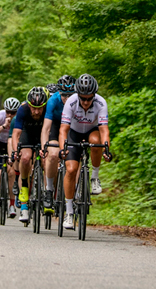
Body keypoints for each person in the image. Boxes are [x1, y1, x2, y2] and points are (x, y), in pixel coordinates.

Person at [59, 73, 111, 230]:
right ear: (78, 95)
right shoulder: (71, 102)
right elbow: (63, 130)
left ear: (94, 95)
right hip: (73, 133)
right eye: (83, 98)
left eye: (89, 98)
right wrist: (62, 149)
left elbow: (104, 130)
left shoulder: (101, 103)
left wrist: (106, 149)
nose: (86, 102)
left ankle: (94, 177)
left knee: (96, 142)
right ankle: (69, 212)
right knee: (71, 169)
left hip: (91, 131)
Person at [9, 86, 48, 223]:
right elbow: (16, 134)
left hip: (43, 134)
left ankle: (47, 192)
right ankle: (24, 197)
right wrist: (16, 151)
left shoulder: (48, 109)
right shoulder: (23, 109)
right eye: (33, 108)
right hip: (27, 134)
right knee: (25, 158)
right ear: (29, 105)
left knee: (46, 160)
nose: (36, 112)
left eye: (40, 108)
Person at [40, 74, 75, 209]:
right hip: (56, 125)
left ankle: (75, 191)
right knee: (53, 154)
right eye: (64, 95)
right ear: (59, 92)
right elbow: (46, 128)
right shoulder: (53, 101)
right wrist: (44, 147)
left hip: (71, 126)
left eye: (70, 95)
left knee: (75, 156)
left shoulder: (79, 100)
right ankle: (49, 190)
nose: (67, 98)